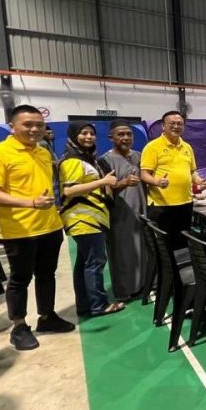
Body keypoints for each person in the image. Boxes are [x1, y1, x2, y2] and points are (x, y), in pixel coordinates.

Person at [0, 105, 75, 351]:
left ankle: (47, 316)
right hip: (20, 230)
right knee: (20, 279)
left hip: (50, 226)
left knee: (47, 274)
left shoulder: (43, 152)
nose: (34, 129)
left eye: (39, 125)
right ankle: (19, 326)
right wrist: (30, 203)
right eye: (28, 125)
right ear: (12, 126)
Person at [58, 121, 125, 317]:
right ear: (73, 136)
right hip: (84, 219)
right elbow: (69, 190)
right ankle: (99, 305)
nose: (89, 137)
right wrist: (103, 181)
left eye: (91, 133)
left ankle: (85, 304)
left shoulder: (85, 158)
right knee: (95, 263)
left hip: (91, 217)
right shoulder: (72, 160)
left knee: (84, 264)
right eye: (84, 133)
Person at [98, 120, 147, 301]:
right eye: (120, 134)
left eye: (129, 134)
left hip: (140, 209)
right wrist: (124, 183)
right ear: (111, 137)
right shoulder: (104, 160)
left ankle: (141, 284)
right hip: (119, 212)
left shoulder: (139, 156)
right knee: (121, 252)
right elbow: (105, 189)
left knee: (140, 248)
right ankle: (124, 290)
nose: (125, 138)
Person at [141, 111, 205, 250]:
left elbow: (192, 171)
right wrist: (157, 182)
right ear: (163, 126)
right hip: (161, 205)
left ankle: (181, 265)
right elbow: (144, 174)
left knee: (182, 244)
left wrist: (198, 180)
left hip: (185, 203)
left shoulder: (187, 147)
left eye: (180, 124)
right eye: (172, 123)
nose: (176, 126)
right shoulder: (152, 147)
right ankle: (166, 266)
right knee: (164, 246)